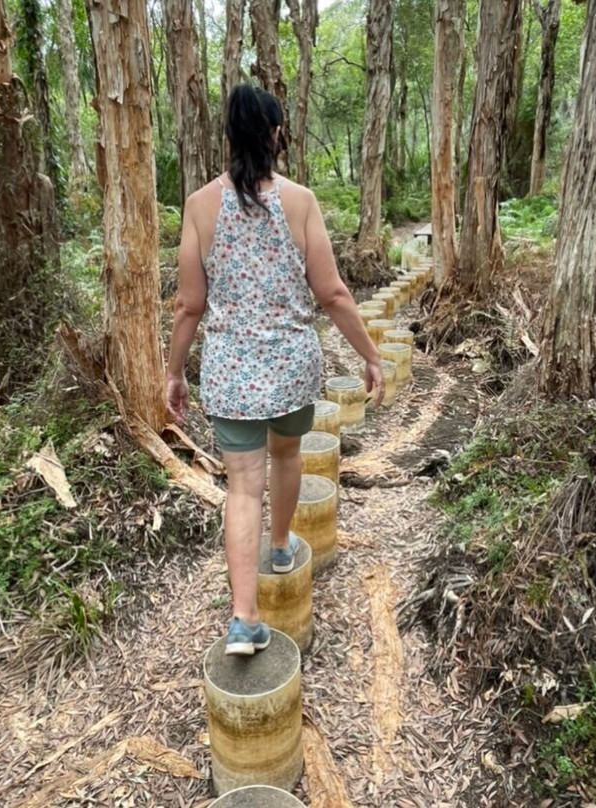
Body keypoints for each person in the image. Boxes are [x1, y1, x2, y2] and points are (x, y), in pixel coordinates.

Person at [165, 84, 384, 656]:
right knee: (286, 455)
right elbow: (332, 293)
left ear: (230, 138)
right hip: (290, 368)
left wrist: (174, 372)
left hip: (230, 375)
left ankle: (243, 620)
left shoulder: (199, 206)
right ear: (276, 135)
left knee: (241, 488)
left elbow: (189, 305)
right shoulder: (302, 202)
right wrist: (368, 353)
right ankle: (282, 545)